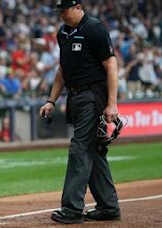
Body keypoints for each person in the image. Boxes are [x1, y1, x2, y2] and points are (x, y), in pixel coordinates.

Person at [39, 0, 120, 224]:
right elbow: (62, 69)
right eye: (59, 11)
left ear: (78, 7)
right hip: (74, 97)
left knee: (79, 149)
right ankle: (108, 206)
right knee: (92, 151)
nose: (61, 15)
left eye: (64, 10)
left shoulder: (94, 28)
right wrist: (51, 100)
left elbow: (111, 65)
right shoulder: (63, 33)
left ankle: (72, 209)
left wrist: (112, 103)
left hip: (92, 96)